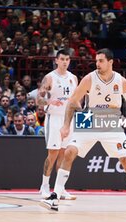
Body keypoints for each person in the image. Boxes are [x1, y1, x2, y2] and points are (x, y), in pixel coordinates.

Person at [40, 48, 126, 212]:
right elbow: (72, 101)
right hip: (89, 118)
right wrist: (66, 125)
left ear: (110, 62)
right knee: (69, 151)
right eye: (96, 61)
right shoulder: (89, 78)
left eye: (101, 61)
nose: (97, 64)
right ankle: (55, 196)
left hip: (112, 121)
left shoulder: (121, 81)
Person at [37, 49, 78, 200]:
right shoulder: (49, 78)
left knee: (64, 153)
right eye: (62, 59)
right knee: (53, 153)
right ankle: (44, 186)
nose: (65, 62)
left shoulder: (73, 78)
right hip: (54, 118)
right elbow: (38, 100)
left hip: (68, 119)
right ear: (56, 60)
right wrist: (49, 101)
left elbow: (75, 100)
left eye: (67, 59)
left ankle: (60, 189)